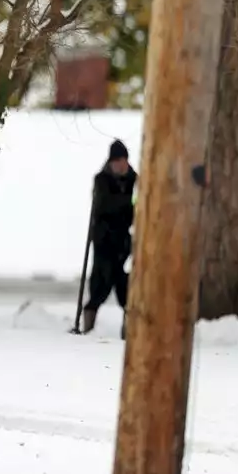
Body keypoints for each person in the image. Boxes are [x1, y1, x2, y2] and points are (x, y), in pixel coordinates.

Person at [82, 139, 138, 337]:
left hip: (123, 241)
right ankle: (88, 324)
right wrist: (126, 205)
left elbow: (137, 205)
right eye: (116, 162)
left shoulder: (134, 180)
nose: (120, 165)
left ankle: (128, 329)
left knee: (126, 287)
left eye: (123, 161)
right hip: (104, 239)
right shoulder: (102, 179)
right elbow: (103, 205)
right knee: (100, 283)